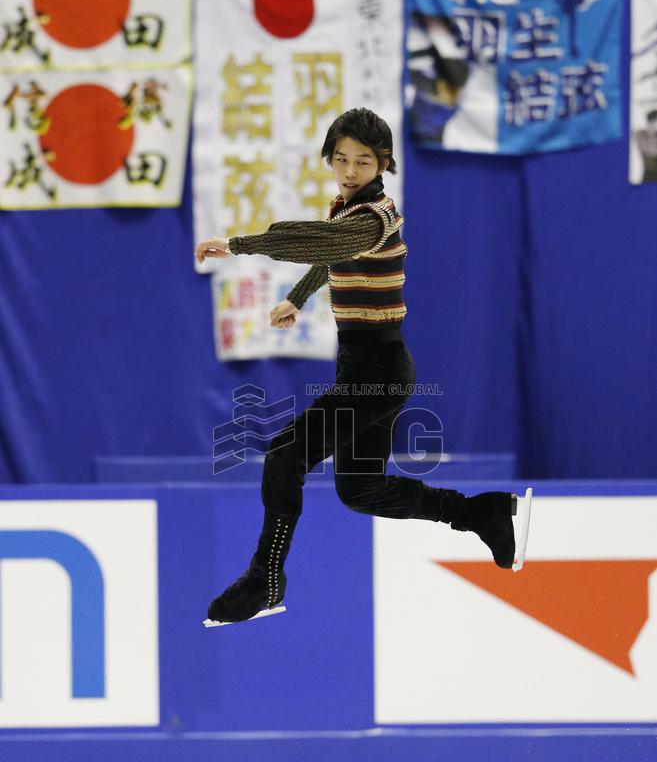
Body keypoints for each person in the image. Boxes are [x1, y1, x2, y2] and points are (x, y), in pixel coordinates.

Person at [196, 107, 522, 625]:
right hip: (363, 366)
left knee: (285, 456)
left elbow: (328, 243)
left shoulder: (377, 217)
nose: (350, 170)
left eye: (363, 161)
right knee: (361, 489)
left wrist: (239, 245)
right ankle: (481, 513)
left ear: (383, 163)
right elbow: (331, 256)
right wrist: (298, 298)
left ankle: (266, 577)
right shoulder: (347, 211)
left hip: (379, 368)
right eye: (341, 158)